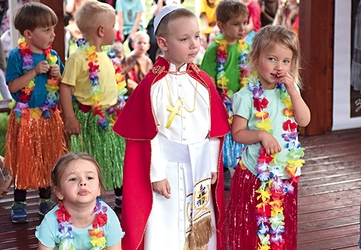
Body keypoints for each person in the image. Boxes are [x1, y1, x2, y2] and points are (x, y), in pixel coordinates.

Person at [113, 6, 229, 250]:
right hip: (166, 170)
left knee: (198, 222)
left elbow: (213, 129)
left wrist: (211, 166)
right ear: (163, 42)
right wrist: (156, 174)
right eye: (184, 39)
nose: (194, 45)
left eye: (196, 37)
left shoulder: (203, 82)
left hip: (199, 169)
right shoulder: (151, 86)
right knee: (166, 223)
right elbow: (146, 134)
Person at [227, 25, 311, 249]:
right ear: (255, 58)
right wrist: (262, 134)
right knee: (256, 231)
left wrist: (293, 90)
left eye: (286, 61)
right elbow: (237, 133)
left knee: (279, 229)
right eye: (272, 58)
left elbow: (304, 120)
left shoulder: (289, 93)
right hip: (256, 175)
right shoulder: (246, 96)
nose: (279, 67)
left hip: (284, 174)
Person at [60, 0, 127, 209]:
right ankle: (91, 199)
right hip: (89, 120)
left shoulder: (105, 56)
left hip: (109, 117)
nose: (116, 30)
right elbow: (65, 87)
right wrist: (70, 117)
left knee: (115, 158)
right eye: (113, 26)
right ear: (101, 30)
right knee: (91, 161)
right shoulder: (78, 58)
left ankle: (121, 196)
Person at [4, 2, 67, 224]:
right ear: (29, 34)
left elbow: (62, 85)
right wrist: (32, 72)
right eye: (47, 30)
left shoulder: (53, 56)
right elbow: (12, 87)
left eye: (53, 29)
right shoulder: (17, 56)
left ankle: (43, 199)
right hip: (26, 118)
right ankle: (19, 202)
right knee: (24, 160)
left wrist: (58, 75)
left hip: (48, 117)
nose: (53, 34)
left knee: (47, 159)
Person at [201, 0, 250, 189]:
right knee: (222, 136)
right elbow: (209, 79)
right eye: (236, 24)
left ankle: (240, 166)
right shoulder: (214, 50)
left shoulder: (244, 48)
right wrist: (217, 101)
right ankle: (223, 170)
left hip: (241, 99)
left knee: (240, 134)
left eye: (244, 23)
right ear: (221, 26)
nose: (242, 28)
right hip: (222, 101)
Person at [35, 152, 124, 250]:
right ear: (59, 192)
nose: (83, 182)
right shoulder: (50, 223)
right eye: (73, 179)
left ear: (99, 188)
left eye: (89, 177)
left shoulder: (109, 219)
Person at [123, 30, 153, 95]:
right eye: (139, 43)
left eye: (144, 43)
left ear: (148, 46)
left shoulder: (148, 61)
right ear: (133, 45)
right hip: (132, 88)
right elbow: (126, 77)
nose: (142, 45)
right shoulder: (129, 59)